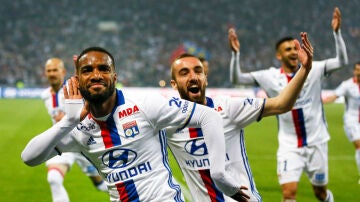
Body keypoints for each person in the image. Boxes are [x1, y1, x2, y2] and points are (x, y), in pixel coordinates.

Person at [22, 47, 252, 202]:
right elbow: (29, 158)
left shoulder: (144, 105)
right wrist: (69, 122)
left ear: (114, 76)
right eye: (87, 70)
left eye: (103, 69)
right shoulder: (78, 128)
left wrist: (219, 175)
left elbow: (208, 116)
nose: (96, 75)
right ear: (77, 79)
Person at [166, 31, 313, 202]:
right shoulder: (168, 121)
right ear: (174, 84)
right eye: (184, 73)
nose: (193, 77)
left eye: (198, 71)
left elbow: (282, 104)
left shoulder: (229, 107)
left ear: (205, 78)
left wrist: (305, 69)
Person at [228, 7, 348, 202]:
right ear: (279, 56)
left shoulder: (315, 69)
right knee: (289, 194)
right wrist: (235, 55)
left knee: (320, 194)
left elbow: (342, 61)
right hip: (289, 145)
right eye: (288, 49)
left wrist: (337, 33)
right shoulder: (269, 76)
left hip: (317, 142)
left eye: (295, 48)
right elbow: (237, 78)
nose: (293, 52)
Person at [41, 58, 107, 202]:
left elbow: (93, 106)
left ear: (63, 72)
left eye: (55, 70)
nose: (52, 73)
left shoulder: (75, 89)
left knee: (102, 185)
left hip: (84, 143)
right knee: (54, 179)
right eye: (49, 70)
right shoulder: (45, 95)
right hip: (63, 144)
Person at [322, 61, 360, 184]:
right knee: (359, 146)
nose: (359, 72)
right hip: (352, 121)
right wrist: (320, 101)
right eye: (357, 70)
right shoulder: (347, 85)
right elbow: (334, 96)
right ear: (354, 71)